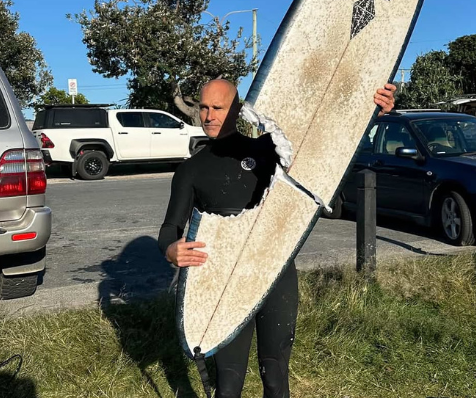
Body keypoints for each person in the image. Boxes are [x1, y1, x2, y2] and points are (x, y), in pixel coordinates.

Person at [159, 79, 395, 398]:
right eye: (203, 107)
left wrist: (369, 113)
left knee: (275, 374)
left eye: (218, 107)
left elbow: (326, 144)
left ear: (238, 110)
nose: (209, 115)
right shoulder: (190, 170)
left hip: (276, 273)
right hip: (225, 284)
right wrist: (170, 249)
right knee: (228, 384)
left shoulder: (266, 151)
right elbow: (170, 228)